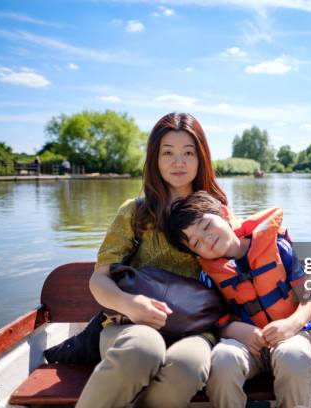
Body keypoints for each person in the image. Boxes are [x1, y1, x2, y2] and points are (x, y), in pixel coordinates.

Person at [76, 113, 235, 408]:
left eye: (188, 153)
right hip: (129, 326)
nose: (179, 162)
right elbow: (99, 279)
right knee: (143, 350)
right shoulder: (134, 213)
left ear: (201, 158)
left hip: (195, 329)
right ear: (155, 159)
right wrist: (129, 305)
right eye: (168, 153)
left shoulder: (218, 213)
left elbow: (247, 259)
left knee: (188, 365)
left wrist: (306, 285)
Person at [166, 191, 311, 408]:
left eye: (207, 226)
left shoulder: (278, 246)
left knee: (294, 357)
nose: (207, 239)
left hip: (292, 334)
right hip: (245, 345)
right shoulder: (209, 275)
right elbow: (213, 320)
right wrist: (236, 331)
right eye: (196, 242)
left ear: (223, 213)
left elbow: (308, 295)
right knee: (223, 360)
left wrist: (291, 324)